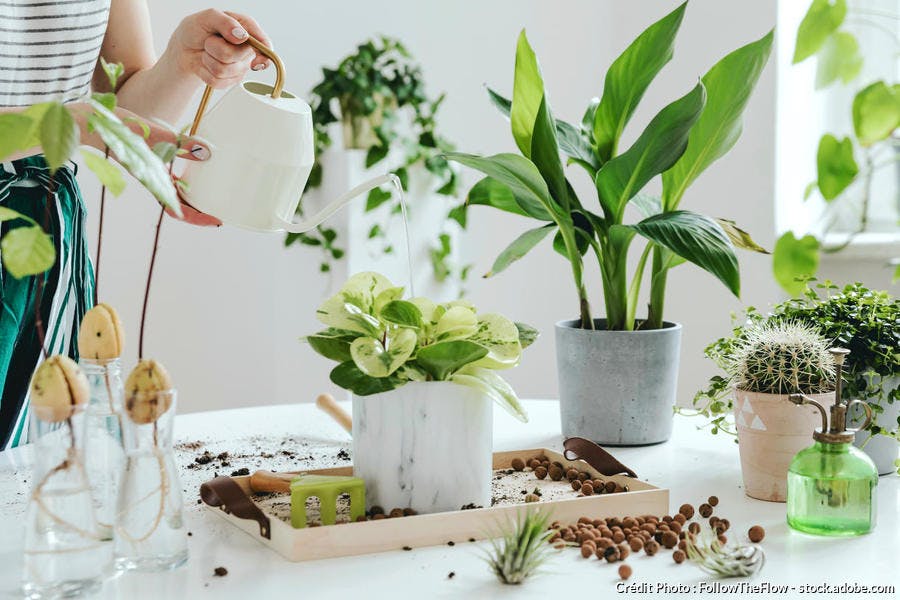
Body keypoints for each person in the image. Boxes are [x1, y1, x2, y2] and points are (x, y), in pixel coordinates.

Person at [0, 2, 272, 448]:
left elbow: (122, 103)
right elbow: (87, 121)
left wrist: (181, 63)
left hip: (43, 235)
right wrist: (67, 122)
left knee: (39, 473)